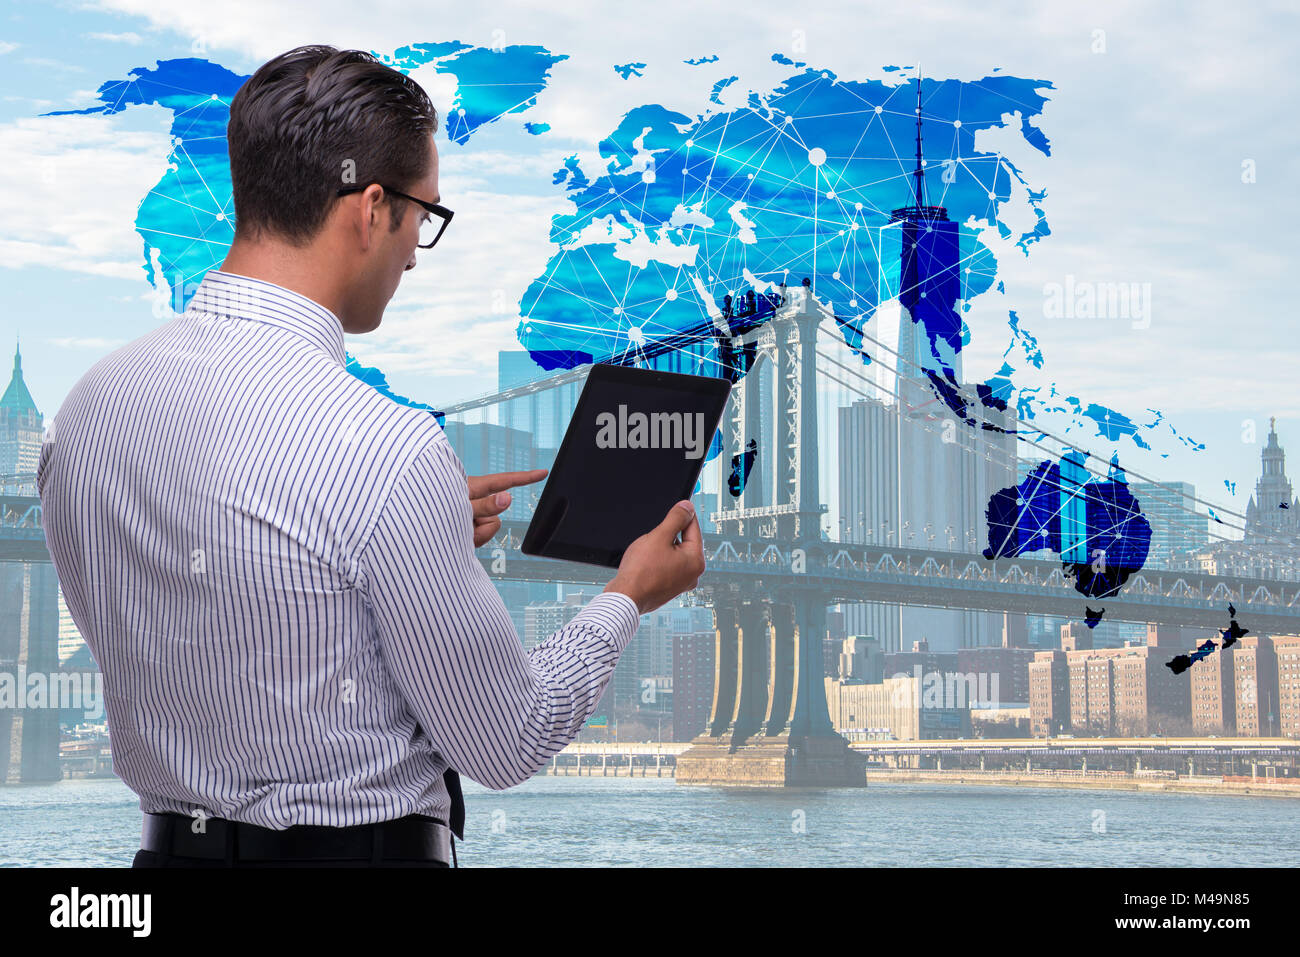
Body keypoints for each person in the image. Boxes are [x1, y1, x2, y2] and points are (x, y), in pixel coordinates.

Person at [36, 44, 705, 868]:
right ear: (371, 207)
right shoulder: (388, 451)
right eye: (424, 216)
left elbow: (229, 582)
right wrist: (629, 594)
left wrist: (403, 540)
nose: (418, 251)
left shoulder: (83, 415)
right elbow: (508, 739)